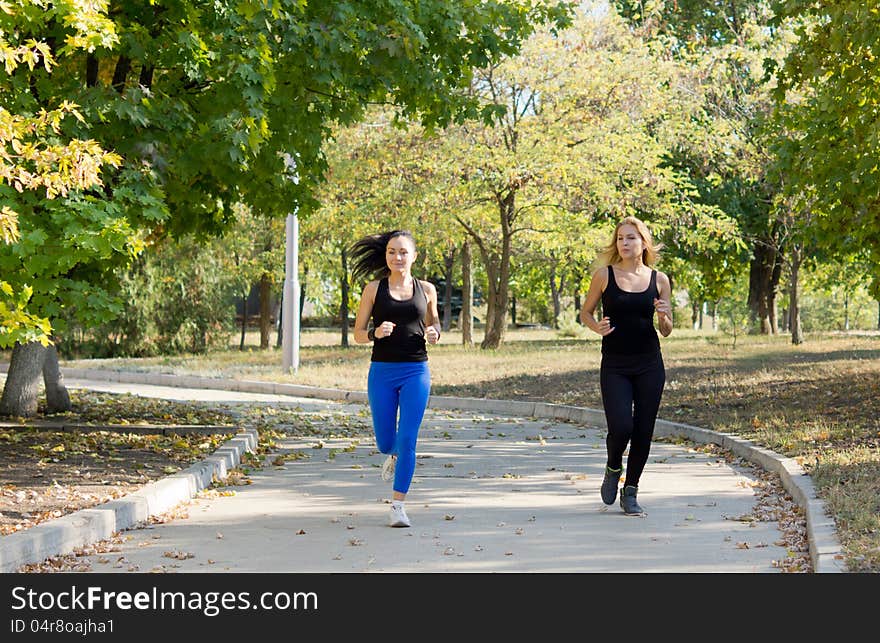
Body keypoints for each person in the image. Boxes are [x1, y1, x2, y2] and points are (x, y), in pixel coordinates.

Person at [579, 216, 673, 516]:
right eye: (621, 238)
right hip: (615, 365)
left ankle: (630, 491)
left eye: (631, 237)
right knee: (620, 427)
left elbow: (668, 330)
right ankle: (613, 466)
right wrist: (598, 328)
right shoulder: (604, 275)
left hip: (649, 364)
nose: (625, 243)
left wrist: (663, 315)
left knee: (643, 430)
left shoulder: (659, 280)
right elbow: (586, 312)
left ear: (643, 242)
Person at [351, 229, 441, 528]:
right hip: (383, 372)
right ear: (386, 256)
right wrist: (375, 333)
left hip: (416, 370)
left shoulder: (426, 289)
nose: (397, 257)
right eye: (392, 252)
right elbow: (358, 334)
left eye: (403, 252)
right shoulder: (373, 289)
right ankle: (392, 455)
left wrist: (434, 332)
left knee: (408, 438)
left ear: (414, 256)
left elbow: (435, 323)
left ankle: (398, 505)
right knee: (386, 441)